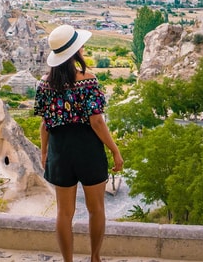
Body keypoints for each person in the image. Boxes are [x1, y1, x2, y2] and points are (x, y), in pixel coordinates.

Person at [33, 24, 124, 262]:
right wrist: (115, 151)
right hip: (88, 150)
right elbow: (97, 122)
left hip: (60, 151)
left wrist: (44, 153)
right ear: (74, 52)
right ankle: (95, 258)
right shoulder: (88, 80)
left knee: (64, 213)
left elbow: (45, 124)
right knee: (96, 210)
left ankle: (68, 261)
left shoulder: (44, 84)